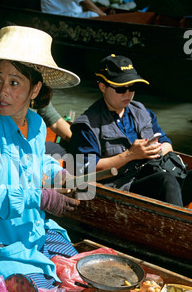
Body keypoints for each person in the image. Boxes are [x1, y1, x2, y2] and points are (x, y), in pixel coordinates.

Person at [0, 25, 80, 288]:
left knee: (77, 268)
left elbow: (36, 160)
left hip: (29, 233)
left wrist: (59, 173)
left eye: (14, 82)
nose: (2, 91)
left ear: (35, 89)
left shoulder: (35, 124)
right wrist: (39, 197)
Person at [68, 54, 192, 207]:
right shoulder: (87, 126)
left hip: (154, 175)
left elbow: (167, 144)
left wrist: (153, 151)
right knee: (165, 181)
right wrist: (129, 155)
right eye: (121, 88)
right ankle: (181, 229)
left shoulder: (143, 112)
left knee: (168, 180)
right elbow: (83, 171)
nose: (128, 93)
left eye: (132, 87)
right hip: (122, 190)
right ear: (102, 87)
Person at [0, 72, 72, 155]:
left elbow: (55, 122)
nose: (4, 90)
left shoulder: (37, 122)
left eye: (14, 83)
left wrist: (78, 141)